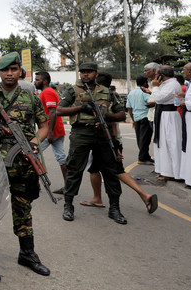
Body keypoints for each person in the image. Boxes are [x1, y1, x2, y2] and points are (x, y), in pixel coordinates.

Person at [0, 52, 50, 283]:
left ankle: (27, 253)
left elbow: (44, 125)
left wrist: (35, 142)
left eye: (14, 69)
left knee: (23, 209)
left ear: (19, 71)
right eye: (5, 70)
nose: (9, 73)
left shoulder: (30, 97)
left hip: (24, 165)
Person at [56, 62, 128, 225]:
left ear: (96, 74)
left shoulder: (107, 91)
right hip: (82, 132)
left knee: (110, 170)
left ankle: (114, 208)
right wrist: (82, 108)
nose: (85, 75)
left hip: (103, 133)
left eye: (89, 72)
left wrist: (107, 117)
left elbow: (122, 114)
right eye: (83, 72)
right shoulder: (72, 90)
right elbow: (59, 110)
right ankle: (68, 206)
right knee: (74, 169)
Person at [78, 73, 158, 215]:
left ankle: (144, 195)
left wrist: (115, 146)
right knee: (96, 169)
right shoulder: (111, 97)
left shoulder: (105, 100)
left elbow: (113, 125)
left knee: (116, 171)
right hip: (109, 141)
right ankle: (98, 198)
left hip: (108, 141)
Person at [34, 71, 67, 194]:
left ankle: (36, 185)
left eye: (37, 79)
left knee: (33, 154)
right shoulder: (47, 92)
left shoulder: (47, 92)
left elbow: (52, 112)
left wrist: (50, 132)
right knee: (61, 158)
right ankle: (68, 186)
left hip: (50, 130)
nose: (35, 81)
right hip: (54, 129)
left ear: (45, 81)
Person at [149, 65, 183, 182]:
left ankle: (172, 172)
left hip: (168, 116)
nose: (155, 77)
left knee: (170, 144)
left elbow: (159, 98)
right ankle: (166, 170)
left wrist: (154, 87)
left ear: (162, 75)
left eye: (157, 74)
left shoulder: (172, 84)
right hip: (165, 115)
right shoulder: (169, 84)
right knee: (165, 144)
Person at [126, 75, 153, 165]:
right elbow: (151, 102)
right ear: (145, 83)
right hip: (145, 117)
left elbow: (129, 107)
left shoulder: (131, 93)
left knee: (140, 138)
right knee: (145, 139)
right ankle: (142, 158)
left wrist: (133, 119)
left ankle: (146, 156)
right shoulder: (145, 93)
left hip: (136, 117)